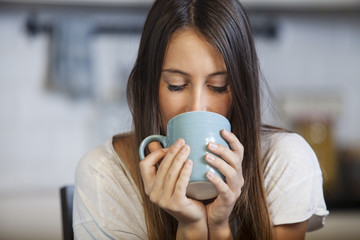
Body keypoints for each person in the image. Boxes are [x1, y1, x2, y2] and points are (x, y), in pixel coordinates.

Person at [73, 0, 329, 239]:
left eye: (218, 86)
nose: (197, 107)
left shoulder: (285, 160)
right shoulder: (104, 175)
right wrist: (191, 227)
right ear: (150, 86)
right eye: (176, 85)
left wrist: (218, 228)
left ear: (241, 90)